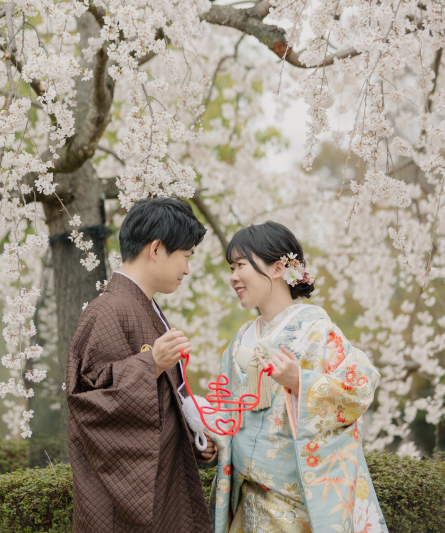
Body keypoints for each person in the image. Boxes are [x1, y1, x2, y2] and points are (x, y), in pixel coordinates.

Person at [187, 221, 387, 533]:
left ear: (279, 268)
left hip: (301, 505)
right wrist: (212, 443)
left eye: (241, 266)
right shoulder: (239, 341)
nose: (233, 277)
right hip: (247, 502)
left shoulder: (317, 331)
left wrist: (300, 382)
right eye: (231, 267)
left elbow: (361, 386)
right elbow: (226, 411)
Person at [66, 197, 216, 533]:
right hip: (120, 506)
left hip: (160, 486)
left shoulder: (144, 310)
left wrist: (193, 441)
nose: (187, 270)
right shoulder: (107, 311)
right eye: (186, 256)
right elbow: (88, 400)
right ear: (157, 249)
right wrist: (150, 364)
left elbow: (158, 405)